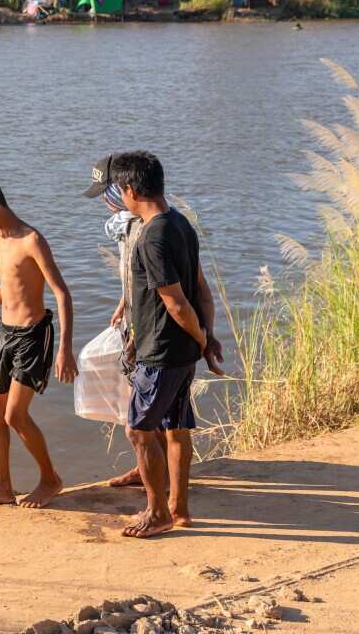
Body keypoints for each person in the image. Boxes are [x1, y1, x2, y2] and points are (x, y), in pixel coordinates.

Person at [109, 151, 223, 538]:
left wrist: (203, 338)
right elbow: (201, 290)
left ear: (129, 190)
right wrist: (205, 338)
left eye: (120, 191)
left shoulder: (152, 235)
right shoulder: (180, 224)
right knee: (175, 429)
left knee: (139, 431)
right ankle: (179, 507)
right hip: (181, 351)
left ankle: (157, 511)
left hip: (160, 352)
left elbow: (175, 301)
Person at [0, 175, 76, 509]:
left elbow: (62, 294)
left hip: (32, 336)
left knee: (15, 416)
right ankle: (3, 486)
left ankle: (50, 479)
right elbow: (8, 284)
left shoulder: (32, 240)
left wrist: (65, 349)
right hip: (5, 333)